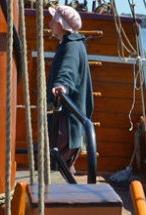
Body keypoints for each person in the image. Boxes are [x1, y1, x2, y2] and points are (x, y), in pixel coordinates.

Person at [47, 5, 94, 172]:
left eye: (54, 19)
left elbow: (68, 71)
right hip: (69, 119)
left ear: (61, 24)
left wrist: (61, 86)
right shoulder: (72, 43)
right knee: (63, 163)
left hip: (66, 120)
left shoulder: (71, 46)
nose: (50, 23)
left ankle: (62, 195)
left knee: (58, 160)